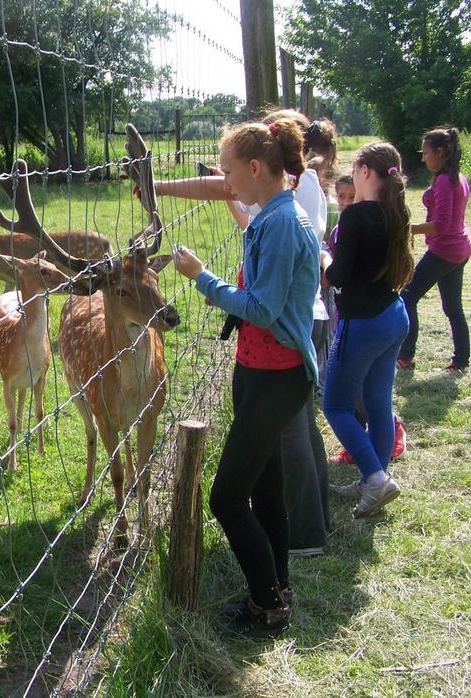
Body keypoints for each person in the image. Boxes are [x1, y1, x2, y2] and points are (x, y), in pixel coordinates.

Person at [156, 110, 334, 558]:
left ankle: (268, 595)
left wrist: (203, 278)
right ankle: (277, 590)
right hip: (258, 366)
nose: (224, 179)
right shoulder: (271, 215)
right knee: (267, 486)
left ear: (255, 168)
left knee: (228, 498)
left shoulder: (282, 223)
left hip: (277, 371)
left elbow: (261, 307)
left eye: (228, 169)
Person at [323, 142, 413, 518]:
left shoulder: (356, 217)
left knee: (336, 405)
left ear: (363, 172)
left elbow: (337, 276)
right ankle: (374, 479)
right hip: (394, 316)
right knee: (379, 405)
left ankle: (375, 478)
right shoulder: (396, 212)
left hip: (364, 324)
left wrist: (323, 256)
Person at [396, 126, 471, 374]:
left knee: (407, 296)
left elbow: (441, 225)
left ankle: (405, 356)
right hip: (459, 250)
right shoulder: (458, 178)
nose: (422, 157)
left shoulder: (444, 182)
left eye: (426, 152)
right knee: (453, 308)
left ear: (440, 152)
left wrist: (409, 229)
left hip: (445, 251)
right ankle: (461, 361)